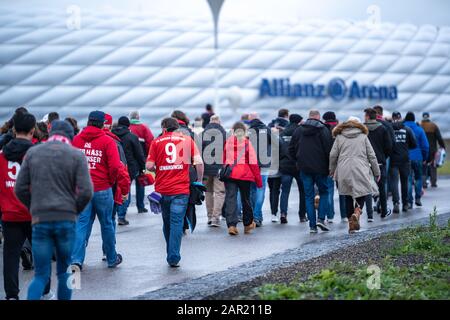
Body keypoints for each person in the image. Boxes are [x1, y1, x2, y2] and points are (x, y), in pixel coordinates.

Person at [15, 120, 93, 300]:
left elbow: (19, 188)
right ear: (70, 136)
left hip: (40, 219)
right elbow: (87, 191)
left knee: (41, 274)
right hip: (66, 219)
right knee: (66, 272)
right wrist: (74, 210)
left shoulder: (33, 153)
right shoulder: (76, 155)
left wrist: (33, 207)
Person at [146, 118, 204, 267]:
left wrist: (159, 167)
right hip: (181, 190)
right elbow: (199, 163)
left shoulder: (156, 142)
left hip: (162, 189)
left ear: (164, 128)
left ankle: (170, 253)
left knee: (166, 222)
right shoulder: (187, 140)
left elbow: (149, 165)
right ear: (177, 128)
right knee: (176, 222)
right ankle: (173, 256)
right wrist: (199, 180)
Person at [71, 111, 123, 270]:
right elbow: (115, 166)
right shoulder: (107, 141)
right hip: (102, 188)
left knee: (81, 223)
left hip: (82, 189)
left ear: (88, 122)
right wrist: (110, 181)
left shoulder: (76, 140)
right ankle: (112, 258)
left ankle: (76, 260)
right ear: (102, 124)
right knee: (107, 223)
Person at [0, 112, 40, 300]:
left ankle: (11, 295)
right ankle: (44, 291)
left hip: (9, 213)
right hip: (34, 212)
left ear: (14, 129)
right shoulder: (38, 154)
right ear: (33, 130)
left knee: (10, 256)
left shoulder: (2, 155)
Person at [329, 117, 380, 233]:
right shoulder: (363, 137)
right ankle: (357, 211)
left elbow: (332, 155)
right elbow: (372, 156)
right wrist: (377, 172)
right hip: (361, 168)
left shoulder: (339, 137)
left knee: (347, 195)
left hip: (343, 169)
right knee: (362, 192)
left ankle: (351, 225)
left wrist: (331, 170)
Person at [289, 110, 333, 233]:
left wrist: (297, 162)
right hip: (321, 168)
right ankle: (321, 218)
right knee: (324, 192)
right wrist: (330, 166)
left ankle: (312, 226)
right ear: (318, 117)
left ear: (309, 117)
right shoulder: (323, 129)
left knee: (308, 196)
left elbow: (291, 149)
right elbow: (328, 150)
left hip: (304, 168)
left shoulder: (298, 130)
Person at [223, 122, 262, 236]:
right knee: (246, 199)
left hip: (230, 174)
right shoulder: (247, 143)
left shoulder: (228, 142)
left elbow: (224, 159)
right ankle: (248, 224)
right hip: (244, 174)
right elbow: (253, 163)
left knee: (231, 199)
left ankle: (231, 225)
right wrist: (258, 181)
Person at [112, 116, 146, 225]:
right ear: (128, 125)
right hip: (130, 168)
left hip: (114, 166)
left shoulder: (111, 135)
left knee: (115, 189)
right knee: (126, 190)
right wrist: (142, 167)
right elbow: (139, 154)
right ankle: (122, 215)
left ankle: (114, 212)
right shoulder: (132, 137)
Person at [364, 108, 393, 219]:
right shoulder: (383, 129)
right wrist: (383, 157)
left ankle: (369, 214)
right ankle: (384, 210)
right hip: (380, 161)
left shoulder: (363, 129)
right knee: (382, 186)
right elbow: (389, 147)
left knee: (366, 187)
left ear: (367, 116)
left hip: (365, 162)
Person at [279, 114, 307, 223]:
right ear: (299, 122)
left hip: (285, 166)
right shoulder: (301, 132)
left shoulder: (283, 132)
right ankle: (302, 215)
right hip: (298, 166)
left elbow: (279, 149)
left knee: (285, 191)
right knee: (303, 191)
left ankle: (283, 213)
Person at [201, 115, 226, 227]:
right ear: (219, 122)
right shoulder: (224, 133)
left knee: (208, 192)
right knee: (219, 192)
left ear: (210, 122)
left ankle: (210, 216)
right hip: (219, 167)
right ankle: (216, 218)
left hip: (206, 168)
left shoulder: (202, 134)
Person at [248, 113, 272, 227]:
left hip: (251, 164)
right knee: (260, 190)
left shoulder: (248, 131)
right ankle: (257, 216)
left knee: (252, 190)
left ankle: (255, 216)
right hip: (264, 163)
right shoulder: (267, 130)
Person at [390, 112, 417, 213]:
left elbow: (387, 144)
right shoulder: (407, 129)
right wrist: (405, 147)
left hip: (393, 159)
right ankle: (405, 204)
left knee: (394, 182)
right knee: (404, 182)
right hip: (405, 159)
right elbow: (414, 144)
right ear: (400, 118)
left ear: (393, 118)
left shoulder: (390, 129)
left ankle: (396, 203)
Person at [129, 110, 154, 212]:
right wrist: (148, 156)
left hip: (128, 159)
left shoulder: (128, 127)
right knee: (141, 182)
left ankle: (124, 207)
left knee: (127, 183)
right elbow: (150, 141)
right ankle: (140, 206)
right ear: (138, 117)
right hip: (140, 159)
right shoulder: (144, 127)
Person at [403, 112, 429, 208]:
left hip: (406, 158)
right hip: (418, 157)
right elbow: (426, 146)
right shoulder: (419, 130)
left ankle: (409, 201)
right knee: (418, 178)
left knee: (408, 179)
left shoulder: (403, 129)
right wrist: (425, 158)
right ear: (414, 119)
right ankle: (418, 198)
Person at [322, 111, 343, 223]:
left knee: (329, 190)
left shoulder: (323, 130)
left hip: (328, 164)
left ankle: (330, 216)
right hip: (341, 163)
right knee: (343, 191)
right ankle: (344, 215)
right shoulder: (341, 130)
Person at [421, 112, 446, 188]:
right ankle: (433, 182)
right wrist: (442, 146)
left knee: (423, 165)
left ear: (423, 117)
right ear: (429, 117)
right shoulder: (434, 126)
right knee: (433, 165)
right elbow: (439, 137)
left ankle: (424, 182)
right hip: (432, 149)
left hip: (423, 149)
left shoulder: (420, 125)